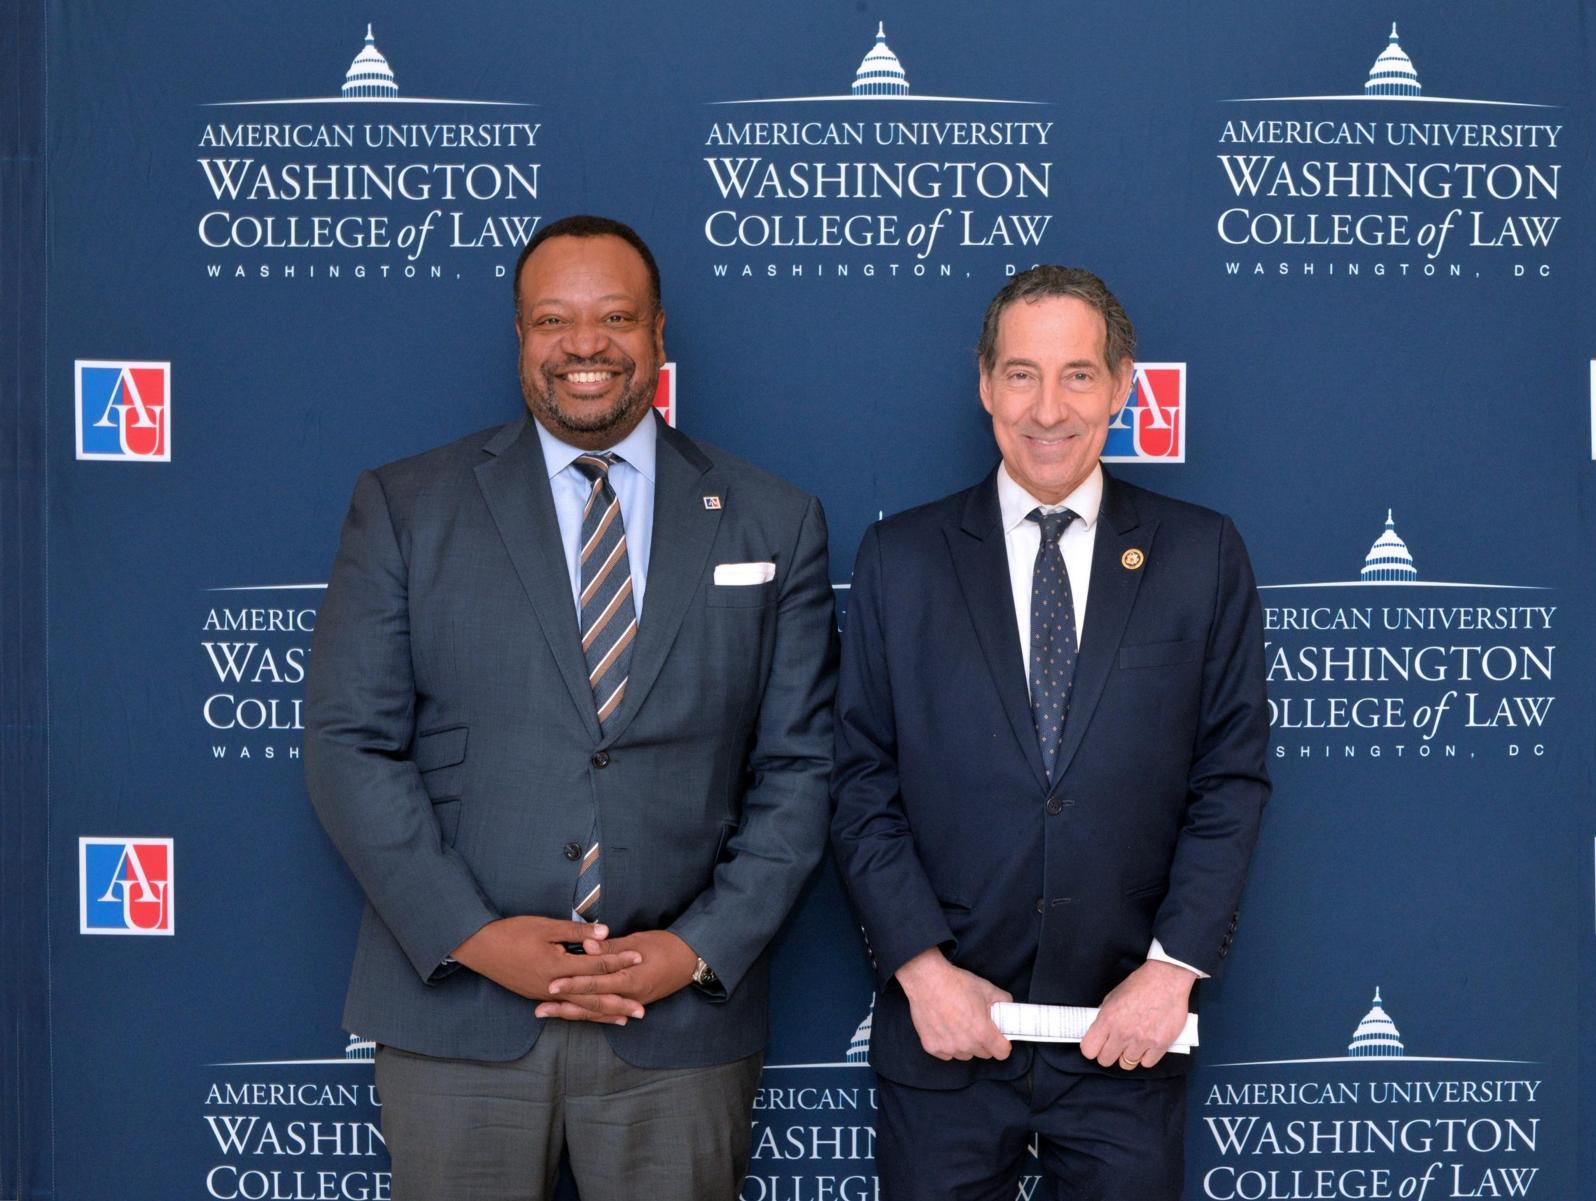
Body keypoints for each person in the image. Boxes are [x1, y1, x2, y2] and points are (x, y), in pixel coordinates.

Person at [306, 214, 837, 1201]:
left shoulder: (774, 518)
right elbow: (349, 745)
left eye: (615, 317)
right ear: (520, 335)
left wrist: (694, 949)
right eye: (554, 319)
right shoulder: (405, 506)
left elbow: (798, 769)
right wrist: (474, 936)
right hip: (457, 1016)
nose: (585, 345)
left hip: (679, 1028)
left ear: (659, 333)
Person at [830, 265, 1269, 1198]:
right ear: (984, 383)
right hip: (945, 1033)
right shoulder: (899, 560)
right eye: (1021, 373)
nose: (1047, 407)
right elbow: (857, 778)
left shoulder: (1203, 555)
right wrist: (921, 968)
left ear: (1122, 384)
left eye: (1077, 374)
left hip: (1127, 1039)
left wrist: (1172, 972)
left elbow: (1229, 781)